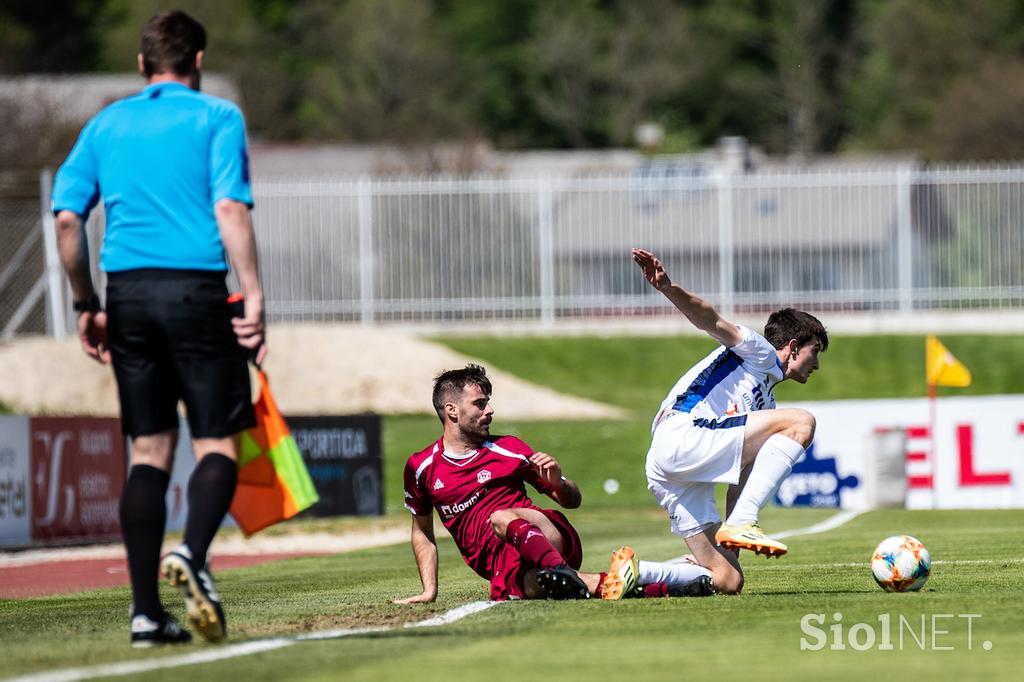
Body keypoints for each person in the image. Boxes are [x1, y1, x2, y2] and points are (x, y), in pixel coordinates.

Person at [52, 10, 266, 646]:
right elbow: (228, 206)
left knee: (147, 452)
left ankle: (145, 614)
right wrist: (253, 294)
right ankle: (193, 555)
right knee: (218, 444)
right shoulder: (217, 117)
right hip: (197, 290)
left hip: (129, 297)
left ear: (143, 65)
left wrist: (87, 304)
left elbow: (67, 222)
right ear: (197, 62)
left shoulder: (105, 123)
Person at [396, 364, 715, 604]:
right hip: (506, 568)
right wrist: (429, 590)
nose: (489, 409)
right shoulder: (421, 467)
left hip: (548, 536)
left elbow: (572, 500)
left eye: (488, 402)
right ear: (451, 410)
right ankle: (677, 587)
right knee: (553, 587)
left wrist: (558, 483)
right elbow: (422, 530)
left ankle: (561, 570)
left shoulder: (507, 448)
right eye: (480, 403)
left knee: (501, 517)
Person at [631, 248, 828, 595]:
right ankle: (743, 522)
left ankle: (638, 572)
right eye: (816, 352)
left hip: (670, 468)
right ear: (794, 347)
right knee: (802, 422)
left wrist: (731, 547)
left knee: (728, 579)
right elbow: (710, 318)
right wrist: (668, 287)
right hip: (684, 434)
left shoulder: (767, 403)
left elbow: (741, 477)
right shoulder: (759, 351)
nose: (817, 365)